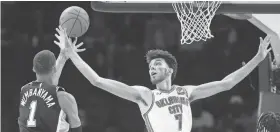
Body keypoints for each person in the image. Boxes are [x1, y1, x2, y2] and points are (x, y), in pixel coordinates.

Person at [58, 33, 271, 132]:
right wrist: (71, 55)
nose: (151, 67)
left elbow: (227, 83)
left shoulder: (186, 92)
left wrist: (258, 59)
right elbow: (98, 81)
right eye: (150, 66)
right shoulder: (145, 95)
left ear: (169, 69)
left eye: (157, 63)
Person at [18, 26, 85, 132]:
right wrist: (69, 55)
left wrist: (63, 55)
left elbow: (47, 88)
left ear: (33, 69)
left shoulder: (24, 91)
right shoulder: (64, 98)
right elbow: (77, 130)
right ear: (53, 69)